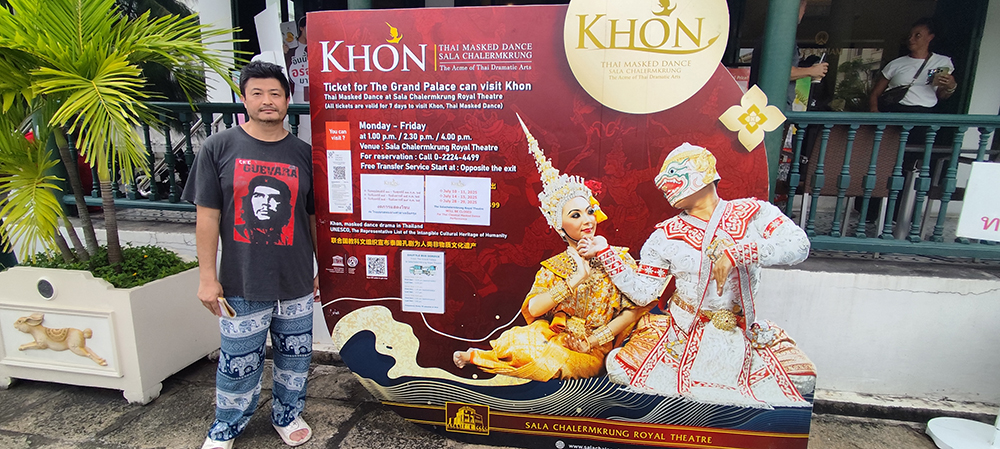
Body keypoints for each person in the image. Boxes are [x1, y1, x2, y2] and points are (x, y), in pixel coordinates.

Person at [580, 143, 816, 407]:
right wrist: (606, 253)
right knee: (620, 368)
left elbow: (799, 246)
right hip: (685, 331)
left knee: (802, 378)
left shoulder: (753, 213)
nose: (664, 186)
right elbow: (644, 292)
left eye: (672, 174)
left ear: (700, 169)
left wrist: (738, 253)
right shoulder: (665, 235)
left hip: (739, 331)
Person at [452, 117, 654, 381]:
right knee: (520, 340)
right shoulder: (554, 266)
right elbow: (534, 309)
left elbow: (634, 310)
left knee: (556, 361)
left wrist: (592, 341)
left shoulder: (618, 258)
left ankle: (487, 358)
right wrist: (576, 278)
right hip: (555, 335)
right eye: (575, 215)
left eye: (589, 211)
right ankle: (484, 356)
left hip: (594, 345)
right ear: (560, 225)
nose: (587, 220)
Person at [182, 60, 318, 449]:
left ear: (288, 100)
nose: (267, 101)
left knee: (295, 359)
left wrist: (322, 270)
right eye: (257, 93)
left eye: (275, 93)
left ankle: (287, 414)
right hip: (241, 279)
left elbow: (313, 218)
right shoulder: (219, 147)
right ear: (244, 100)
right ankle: (226, 426)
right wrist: (207, 278)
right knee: (238, 362)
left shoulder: (304, 154)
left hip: (295, 280)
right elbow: (207, 217)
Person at [869, 18, 957, 113]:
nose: (911, 39)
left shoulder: (941, 62)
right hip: (896, 110)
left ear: (930, 37)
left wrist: (950, 86)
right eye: (910, 36)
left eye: (917, 35)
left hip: (924, 113)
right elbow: (875, 93)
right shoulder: (895, 64)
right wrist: (874, 110)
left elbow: (941, 95)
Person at [235, 175, 293, 245]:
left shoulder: (285, 239)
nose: (265, 203)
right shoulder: (237, 232)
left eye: (274, 198)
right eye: (259, 196)